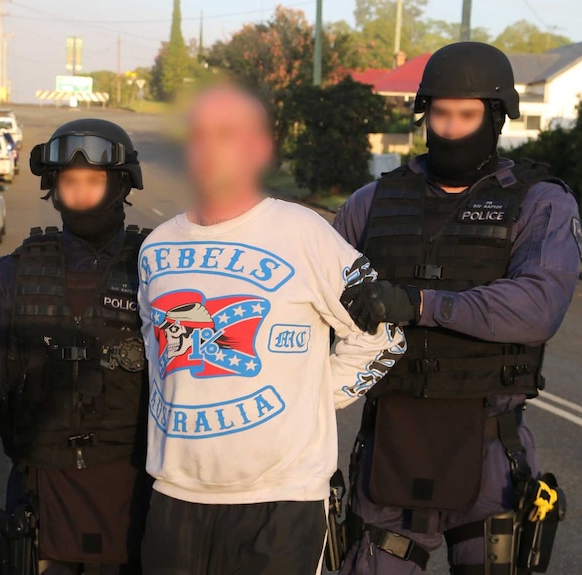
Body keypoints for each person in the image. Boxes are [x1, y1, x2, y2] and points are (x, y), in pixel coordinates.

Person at [136, 85, 407, 575]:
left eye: (225, 134)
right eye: (197, 135)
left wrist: (315, 394)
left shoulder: (303, 233)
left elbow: (384, 335)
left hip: (281, 503)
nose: (207, 148)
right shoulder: (156, 246)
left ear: (257, 148)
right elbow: (157, 355)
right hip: (175, 499)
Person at [334, 42, 580, 575]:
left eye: (466, 115)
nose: (450, 128)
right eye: (440, 114)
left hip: (491, 442)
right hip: (392, 439)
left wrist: (418, 304)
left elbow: (539, 305)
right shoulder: (371, 203)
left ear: (495, 118)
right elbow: (317, 297)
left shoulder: (541, 202)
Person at [0, 118, 152, 575]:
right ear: (54, 187)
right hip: (41, 492)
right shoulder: (15, 273)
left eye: (94, 181)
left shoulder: (157, 269)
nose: (81, 193)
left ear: (121, 184)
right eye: (70, 182)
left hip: (137, 495)